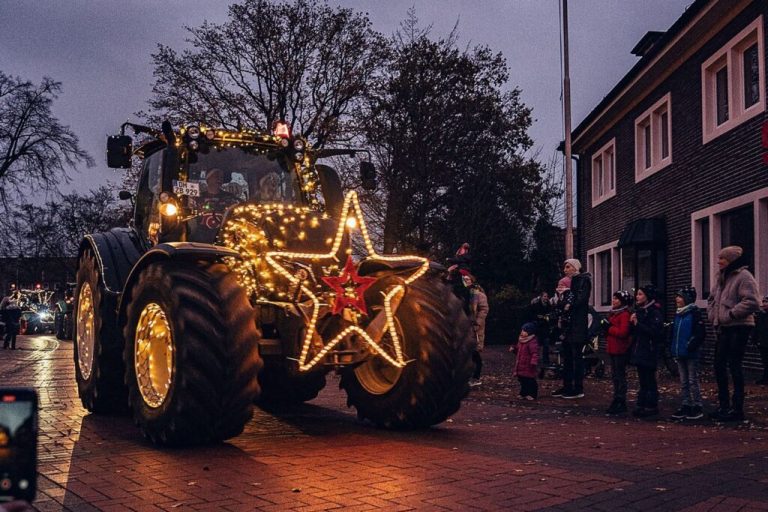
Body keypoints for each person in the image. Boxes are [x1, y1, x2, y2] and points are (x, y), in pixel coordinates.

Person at [707, 246, 760, 422]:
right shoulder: (721, 278)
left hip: (739, 326)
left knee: (734, 364)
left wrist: (731, 314)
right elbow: (712, 299)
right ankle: (724, 406)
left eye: (722, 258)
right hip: (724, 327)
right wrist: (713, 314)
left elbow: (753, 301)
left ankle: (737, 408)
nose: (718, 261)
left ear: (731, 260)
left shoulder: (744, 276)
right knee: (719, 365)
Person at [554, 258, 592, 399]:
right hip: (569, 325)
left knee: (576, 357)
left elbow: (580, 300)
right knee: (568, 357)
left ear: (576, 268)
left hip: (577, 325)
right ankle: (568, 386)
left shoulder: (583, 281)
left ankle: (577, 388)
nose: (565, 270)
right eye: (565, 267)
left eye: (568, 267)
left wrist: (569, 302)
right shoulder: (574, 282)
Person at [669, 287, 705, 420]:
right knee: (684, 381)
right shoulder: (678, 314)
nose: (677, 299)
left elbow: (700, 333)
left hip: (690, 353)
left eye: (680, 297)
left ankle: (697, 405)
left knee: (692, 380)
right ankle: (686, 403)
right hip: (679, 351)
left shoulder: (695, 314)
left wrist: (691, 345)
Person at [629, 284, 663, 418]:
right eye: (637, 294)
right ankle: (642, 403)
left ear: (647, 297)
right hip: (640, 349)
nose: (637, 297)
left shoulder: (654, 313)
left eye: (640, 294)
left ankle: (650, 404)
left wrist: (638, 324)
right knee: (642, 378)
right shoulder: (640, 311)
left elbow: (654, 332)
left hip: (649, 349)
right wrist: (632, 324)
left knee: (649, 378)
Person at [603, 290, 632, 415]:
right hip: (613, 348)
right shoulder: (613, 313)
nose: (613, 301)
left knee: (620, 376)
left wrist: (609, 328)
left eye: (616, 299)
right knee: (615, 376)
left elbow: (623, 332)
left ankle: (620, 400)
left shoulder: (624, 314)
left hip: (620, 349)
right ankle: (616, 398)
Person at [550, 275, 573, 396]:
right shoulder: (559, 297)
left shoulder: (568, 297)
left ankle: (570, 386)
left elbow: (565, 311)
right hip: (562, 331)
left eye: (562, 285)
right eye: (558, 285)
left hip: (567, 332)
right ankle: (566, 385)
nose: (559, 287)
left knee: (569, 359)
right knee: (565, 359)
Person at [465, 272, 489, 387]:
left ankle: (475, 377)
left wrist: (477, 323)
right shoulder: (463, 293)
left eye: (467, 279)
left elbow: (484, 310)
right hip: (464, 326)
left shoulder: (478, 294)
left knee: (474, 352)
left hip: (475, 328)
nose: (465, 281)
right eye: (464, 279)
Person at [511, 322, 539, 400]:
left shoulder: (532, 342)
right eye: (522, 330)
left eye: (524, 331)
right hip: (521, 363)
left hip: (528, 364)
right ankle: (524, 393)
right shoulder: (521, 340)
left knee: (529, 380)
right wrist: (514, 349)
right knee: (522, 379)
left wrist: (534, 361)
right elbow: (518, 351)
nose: (522, 332)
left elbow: (535, 353)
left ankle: (532, 393)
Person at [528, 290, 552, 378]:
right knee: (536, 346)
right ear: (541, 297)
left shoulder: (549, 306)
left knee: (546, 345)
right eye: (544, 296)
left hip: (545, 328)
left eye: (547, 297)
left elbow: (550, 315)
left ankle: (545, 360)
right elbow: (532, 315)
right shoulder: (536, 305)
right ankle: (535, 360)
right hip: (538, 328)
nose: (546, 298)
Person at [751, 295, 768, 385]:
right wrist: (755, 339)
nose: (764, 304)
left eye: (766, 302)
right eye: (763, 301)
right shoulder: (761, 315)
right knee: (765, 361)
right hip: (762, 342)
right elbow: (756, 328)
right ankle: (765, 378)